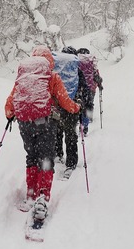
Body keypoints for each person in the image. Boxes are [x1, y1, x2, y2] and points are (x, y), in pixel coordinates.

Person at [4, 46, 80, 223]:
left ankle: (30, 194)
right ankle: (43, 197)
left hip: (24, 123)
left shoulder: (23, 78)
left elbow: (10, 104)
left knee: (31, 157)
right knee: (46, 158)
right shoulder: (52, 77)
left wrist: (11, 115)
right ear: (49, 61)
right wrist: (77, 107)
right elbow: (66, 102)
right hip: (45, 123)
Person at [52, 46, 92, 179]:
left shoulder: (55, 69)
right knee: (70, 135)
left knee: (57, 131)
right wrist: (83, 104)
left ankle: (58, 154)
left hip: (57, 106)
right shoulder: (76, 70)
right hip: (71, 107)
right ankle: (71, 162)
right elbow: (84, 89)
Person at [76, 47, 103, 135]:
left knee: (79, 104)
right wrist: (99, 84)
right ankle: (88, 120)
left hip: (79, 87)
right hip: (91, 87)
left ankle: (79, 121)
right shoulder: (91, 61)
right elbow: (96, 74)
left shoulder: (77, 60)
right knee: (89, 104)